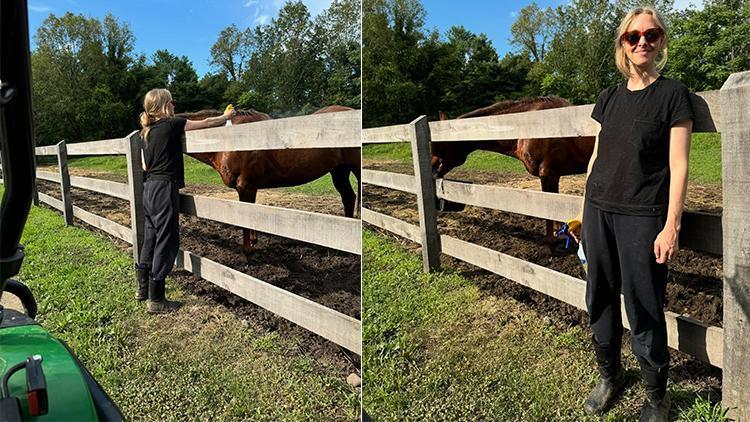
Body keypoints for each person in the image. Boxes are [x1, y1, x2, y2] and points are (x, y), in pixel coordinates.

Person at [568, 7, 693, 421]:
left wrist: (671, 223)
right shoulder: (609, 97)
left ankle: (657, 397)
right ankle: (610, 375)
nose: (642, 42)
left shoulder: (674, 94)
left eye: (651, 35)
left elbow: (679, 164)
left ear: (660, 41)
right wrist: (583, 213)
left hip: (643, 214)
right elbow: (598, 155)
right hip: (598, 209)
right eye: (633, 35)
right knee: (598, 295)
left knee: (643, 304)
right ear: (623, 42)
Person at [134, 89, 235, 313]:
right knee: (166, 240)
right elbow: (205, 122)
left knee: (151, 238)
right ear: (164, 106)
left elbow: (143, 166)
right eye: (172, 101)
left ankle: (142, 289)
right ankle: (157, 299)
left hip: (148, 188)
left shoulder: (145, 133)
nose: (174, 105)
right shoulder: (172, 124)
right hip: (164, 188)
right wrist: (225, 118)